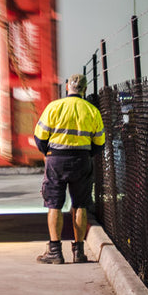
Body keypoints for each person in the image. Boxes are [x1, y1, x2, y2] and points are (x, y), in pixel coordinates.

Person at [33, 73, 106, 264]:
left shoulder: (54, 107)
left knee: (54, 205)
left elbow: (40, 137)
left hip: (56, 159)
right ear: (85, 89)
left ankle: (55, 252)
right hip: (82, 160)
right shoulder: (92, 111)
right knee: (80, 205)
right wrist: (87, 154)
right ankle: (79, 252)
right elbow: (99, 143)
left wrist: (48, 152)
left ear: (67, 87)